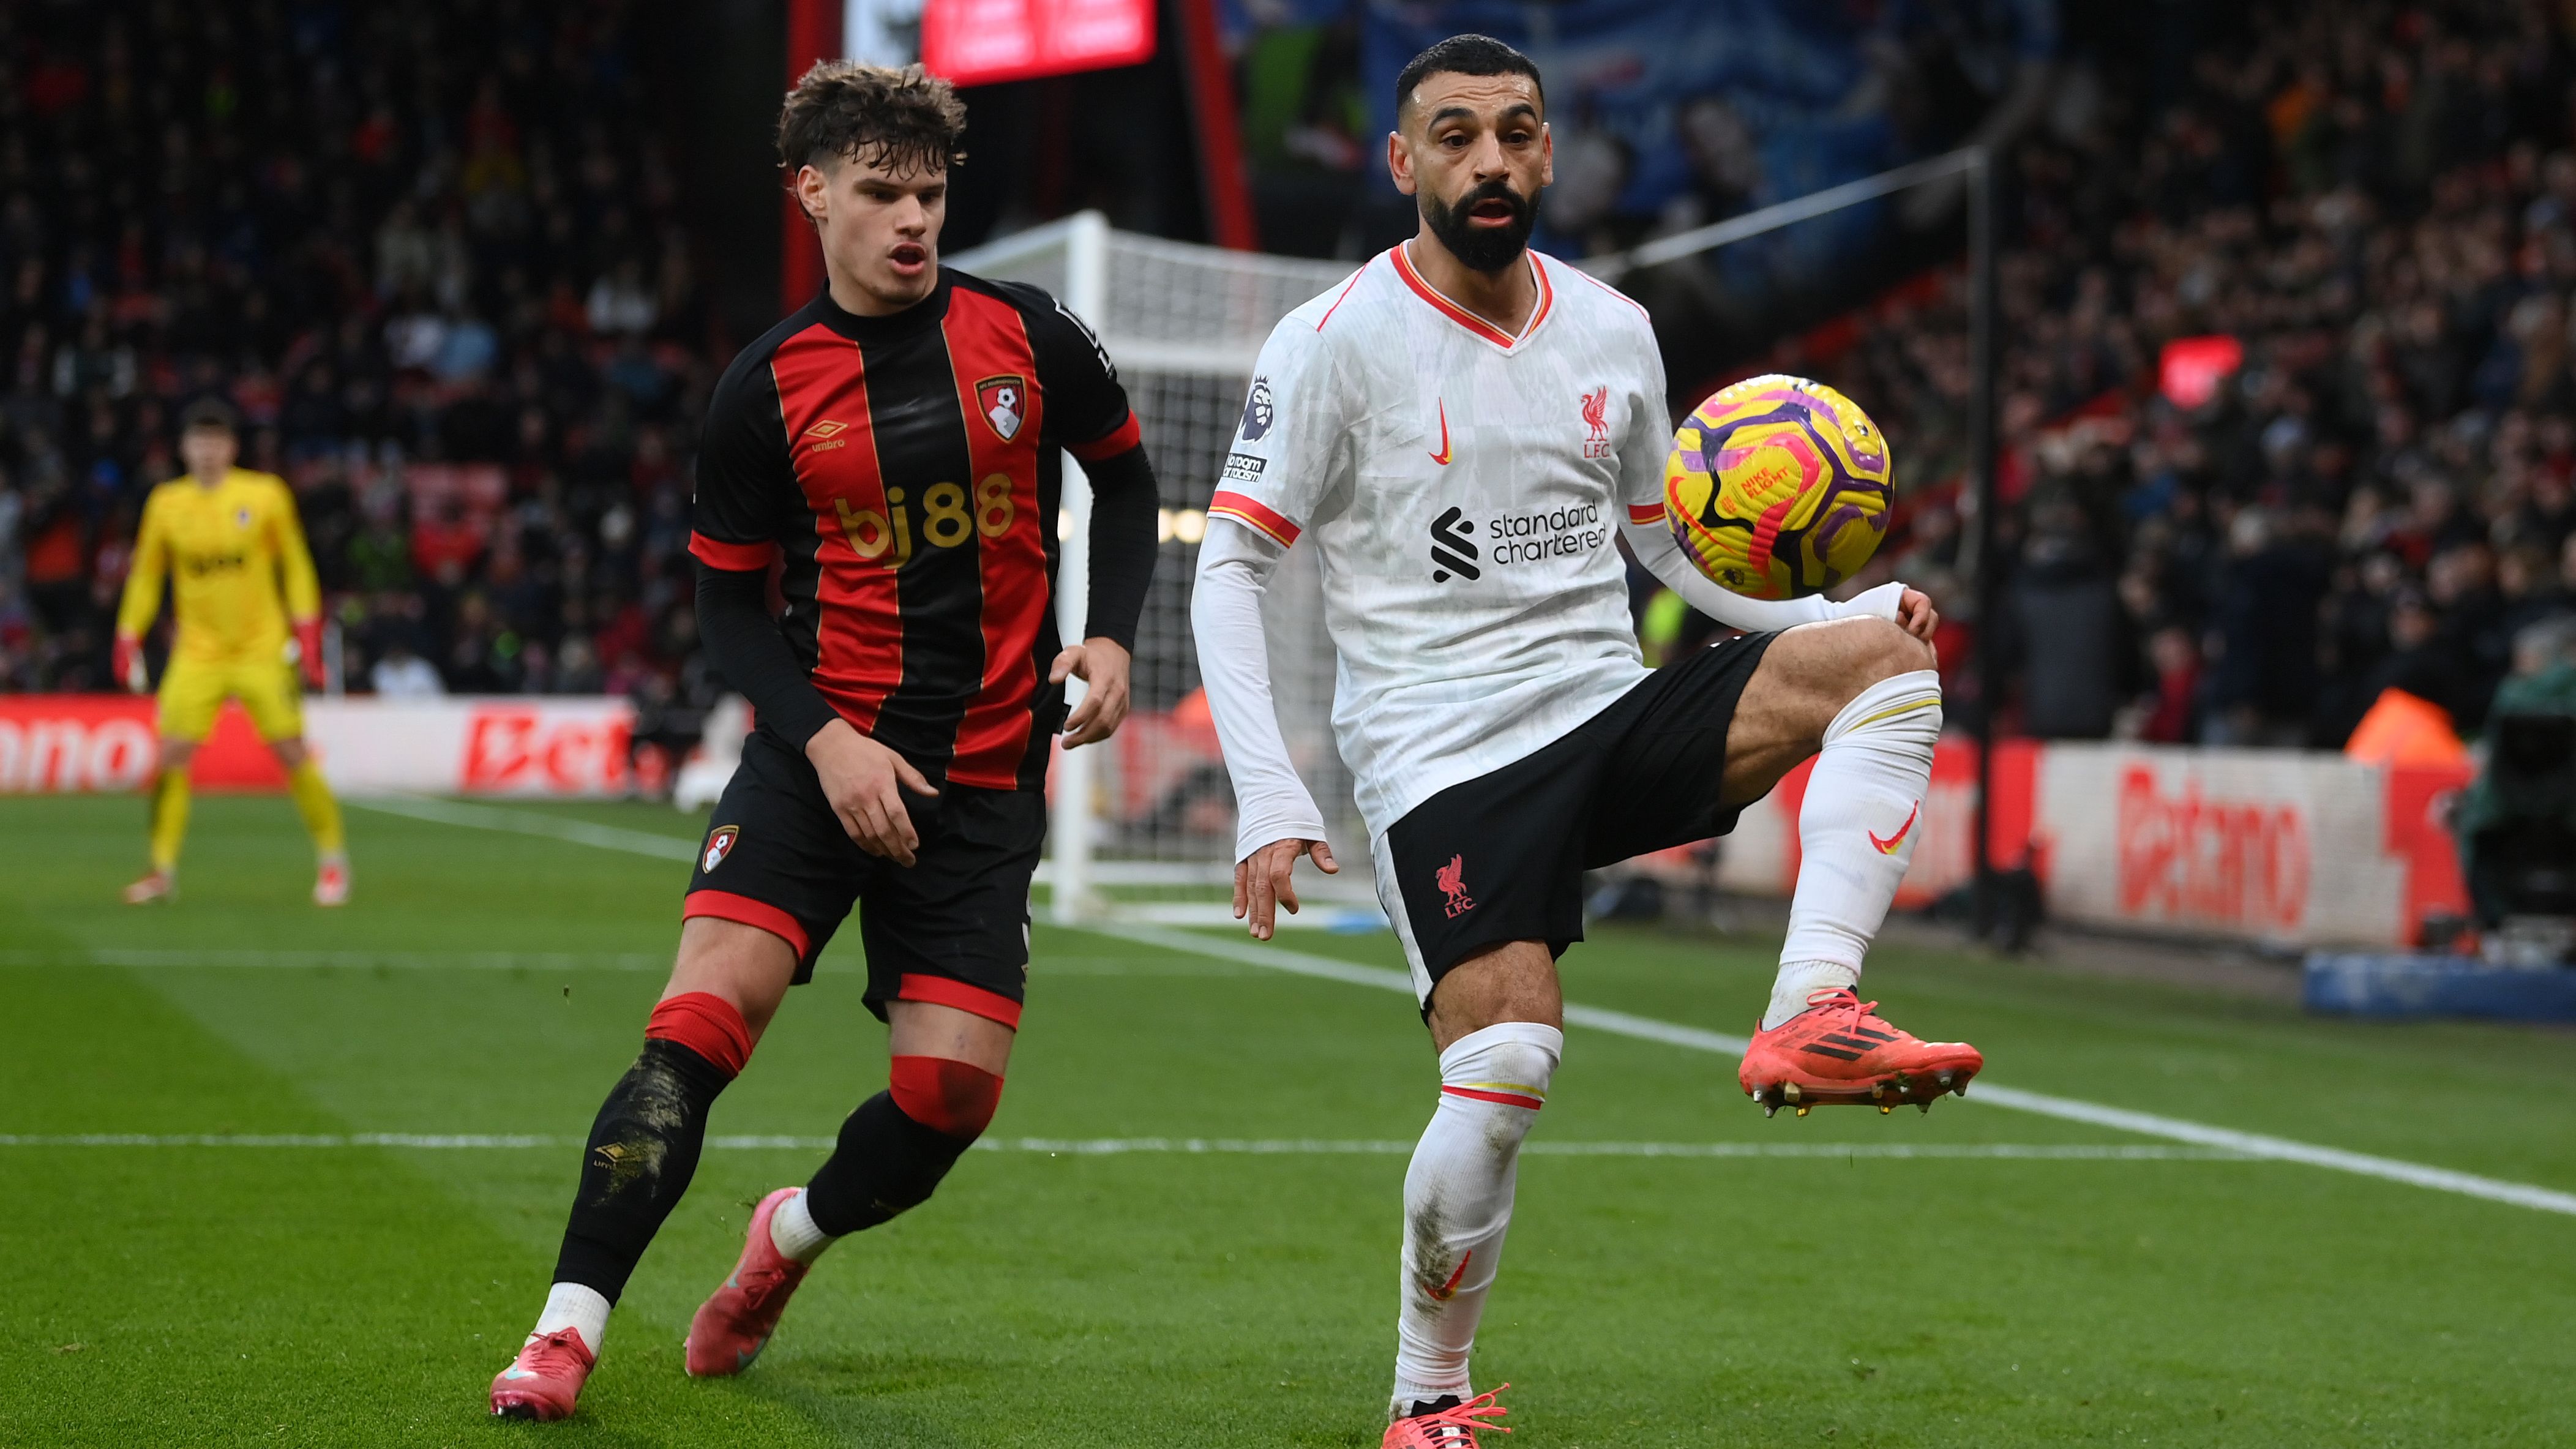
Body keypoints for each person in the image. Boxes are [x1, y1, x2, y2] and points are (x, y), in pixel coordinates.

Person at [1191, 36, 1983, 1448]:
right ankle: (1425, 1397)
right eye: (1455, 135)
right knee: (1503, 1078)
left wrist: (1832, 605)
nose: (1488, 159)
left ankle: (1810, 1010)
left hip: (1607, 708)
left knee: (1891, 664)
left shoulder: (1614, 327)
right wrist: (1268, 791)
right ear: (1403, 162)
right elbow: (1231, 568)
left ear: (1549, 151)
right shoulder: (1328, 346)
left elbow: (1668, 552)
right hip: (1443, 760)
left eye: (1514, 132)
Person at [488, 61, 1160, 1421]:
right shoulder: (763, 389)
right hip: (813, 765)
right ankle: (562, 1333)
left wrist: (1113, 631)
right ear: (812, 194)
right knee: (694, 1027)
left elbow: (1128, 473)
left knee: (947, 1102)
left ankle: (781, 1241)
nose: (913, 220)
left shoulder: (1029, 333)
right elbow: (725, 605)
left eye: (929, 193)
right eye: (879, 193)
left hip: (978, 787)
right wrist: (829, 740)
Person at [112, 398, 348, 907]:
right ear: (183, 448)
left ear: (232, 448)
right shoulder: (166, 504)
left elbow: (297, 564)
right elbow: (147, 574)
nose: (208, 451)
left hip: (260, 647)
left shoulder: (264, 495)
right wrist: (128, 632)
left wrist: (307, 631)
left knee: (291, 750)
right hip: (198, 650)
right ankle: (161, 870)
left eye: (217, 441)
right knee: (172, 754)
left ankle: (332, 861)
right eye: (199, 441)